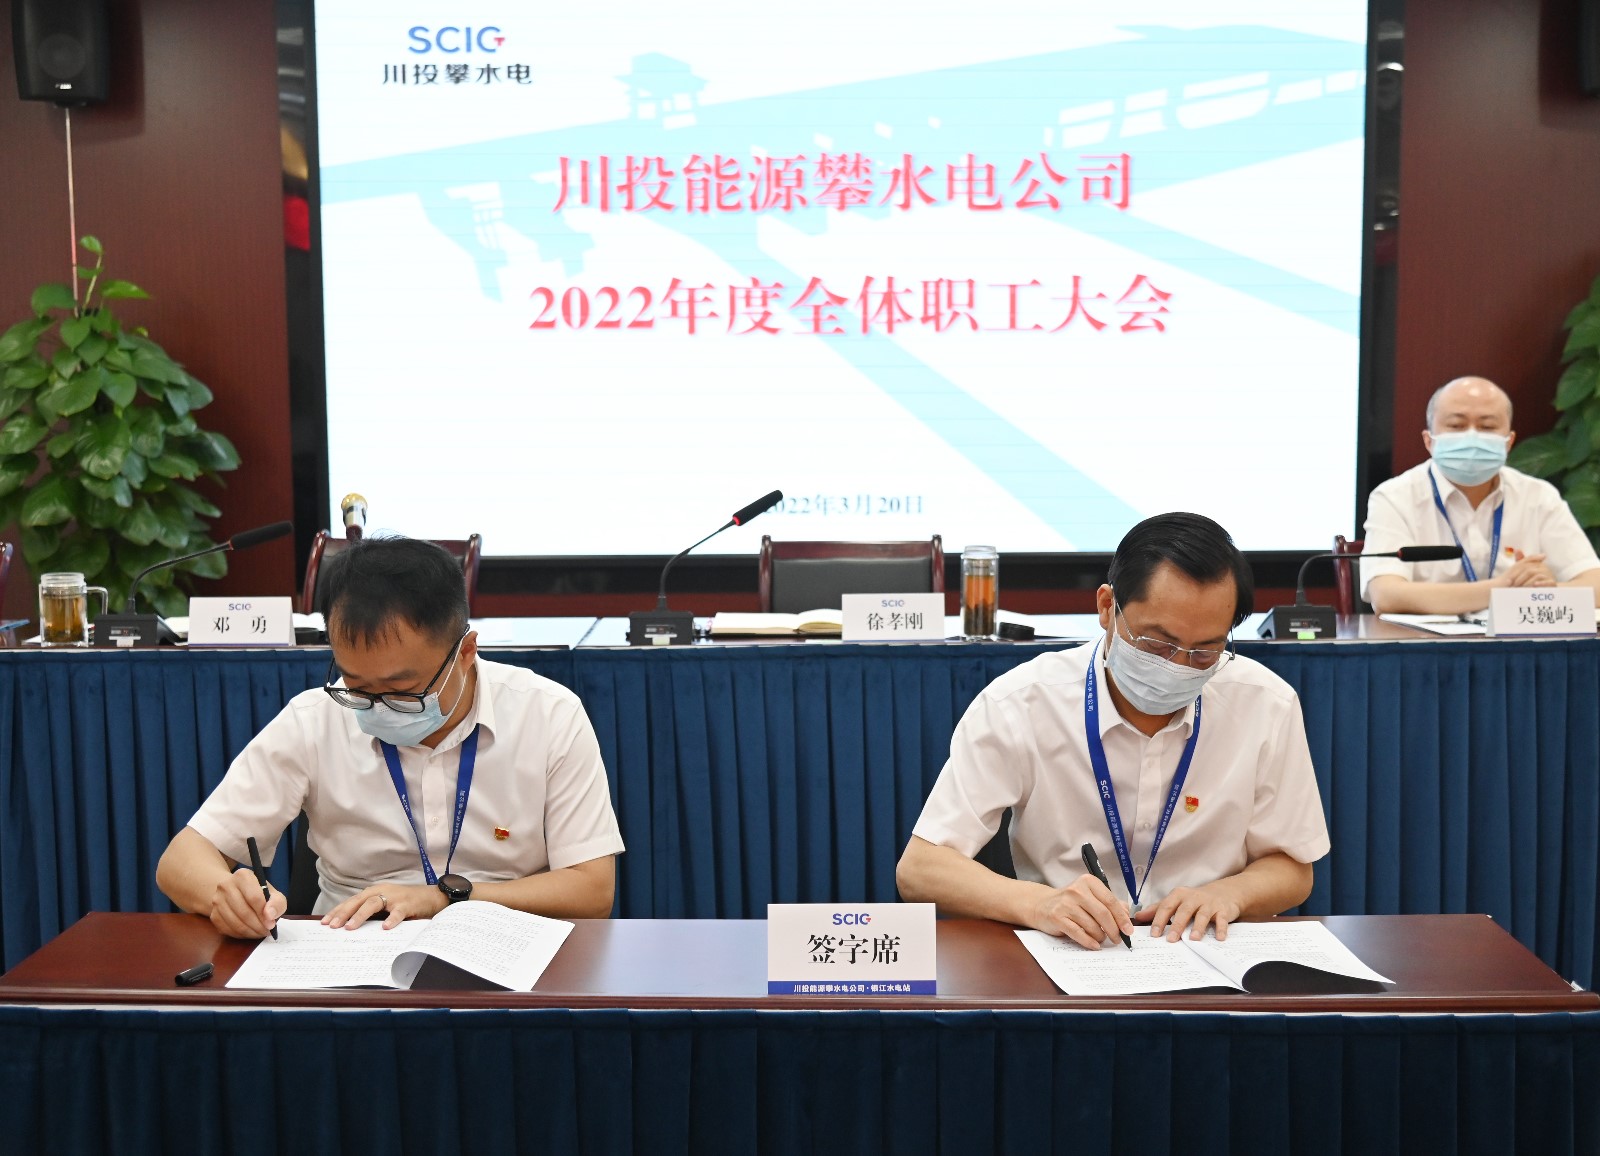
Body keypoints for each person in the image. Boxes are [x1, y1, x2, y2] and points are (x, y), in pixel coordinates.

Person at [896, 512, 1329, 949]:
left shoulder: (1266, 704)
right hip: (1071, 950)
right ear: (1107, 607)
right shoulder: (1021, 703)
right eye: (1157, 644)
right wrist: (1039, 903)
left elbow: (1294, 868)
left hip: (1206, 951)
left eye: (1204, 652)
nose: (1177, 667)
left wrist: (1229, 894)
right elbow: (920, 869)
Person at [156, 536, 624, 939]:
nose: (378, 707)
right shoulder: (314, 719)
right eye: (358, 687)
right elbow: (181, 861)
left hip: (507, 944)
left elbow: (592, 890)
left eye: (403, 691)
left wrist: (444, 899)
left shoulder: (549, 714)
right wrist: (226, 896)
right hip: (349, 951)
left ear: (465, 652)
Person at [1361, 375, 1600, 615]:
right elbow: (1386, 595)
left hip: (1517, 637)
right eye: (1456, 425)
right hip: (1423, 640)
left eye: (1487, 427)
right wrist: (1504, 588)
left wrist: (1541, 591)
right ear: (1429, 440)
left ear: (1509, 442)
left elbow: (1595, 585)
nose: (1472, 438)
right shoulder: (1394, 497)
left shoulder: (1538, 496)